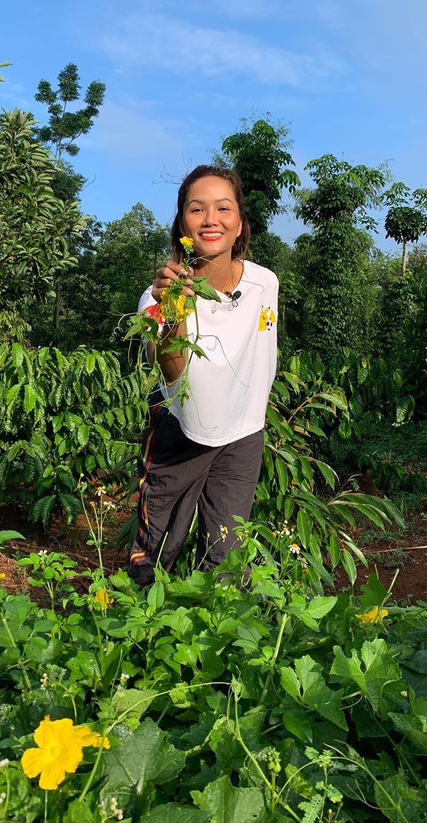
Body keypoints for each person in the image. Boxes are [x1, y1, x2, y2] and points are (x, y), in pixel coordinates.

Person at [127, 165, 279, 586]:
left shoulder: (265, 284)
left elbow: (261, 350)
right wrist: (175, 308)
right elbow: (173, 374)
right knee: (157, 549)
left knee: (227, 555)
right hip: (181, 431)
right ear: (182, 226)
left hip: (243, 434)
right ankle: (136, 637)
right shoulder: (157, 298)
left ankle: (216, 638)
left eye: (223, 208)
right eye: (197, 209)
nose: (211, 219)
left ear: (240, 223)